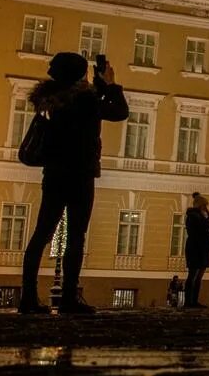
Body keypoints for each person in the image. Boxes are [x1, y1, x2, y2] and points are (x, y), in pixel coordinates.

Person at [19, 51, 129, 314]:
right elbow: (119, 112)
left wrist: (98, 89)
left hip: (54, 173)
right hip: (80, 173)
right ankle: (69, 296)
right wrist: (110, 85)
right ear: (80, 74)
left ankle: (28, 296)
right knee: (76, 236)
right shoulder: (87, 100)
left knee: (41, 234)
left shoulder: (49, 100)